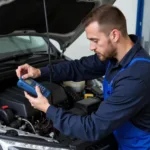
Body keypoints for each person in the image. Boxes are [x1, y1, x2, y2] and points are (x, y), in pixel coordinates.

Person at [16, 5, 150, 150]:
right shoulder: (115, 56)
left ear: (114, 35)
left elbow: (94, 128)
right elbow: (78, 67)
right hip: (121, 136)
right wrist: (39, 72)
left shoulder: (137, 75)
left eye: (95, 40)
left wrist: (48, 109)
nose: (91, 47)